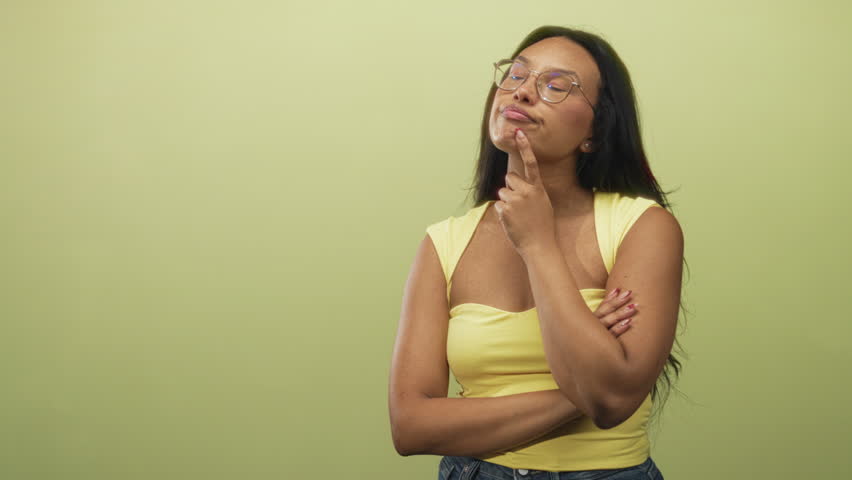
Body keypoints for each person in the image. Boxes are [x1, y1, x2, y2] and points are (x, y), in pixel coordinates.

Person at [389, 25, 685, 480]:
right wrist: (577, 394)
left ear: (595, 132)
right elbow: (410, 427)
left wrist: (538, 244)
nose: (523, 91)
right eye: (516, 75)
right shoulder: (443, 242)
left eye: (556, 85)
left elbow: (610, 402)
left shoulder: (642, 227)